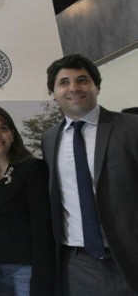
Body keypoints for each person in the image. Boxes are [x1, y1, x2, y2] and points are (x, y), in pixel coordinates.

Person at [42, 54, 138, 295]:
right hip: (78, 265)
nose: (74, 88)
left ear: (97, 86)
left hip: (130, 258)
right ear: (53, 93)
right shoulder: (49, 139)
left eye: (82, 80)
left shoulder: (131, 127)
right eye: (64, 82)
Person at [0, 106, 55, 295]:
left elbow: (42, 228)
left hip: (25, 269)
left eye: (3, 128)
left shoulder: (32, 169)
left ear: (12, 133)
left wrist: (43, 274)